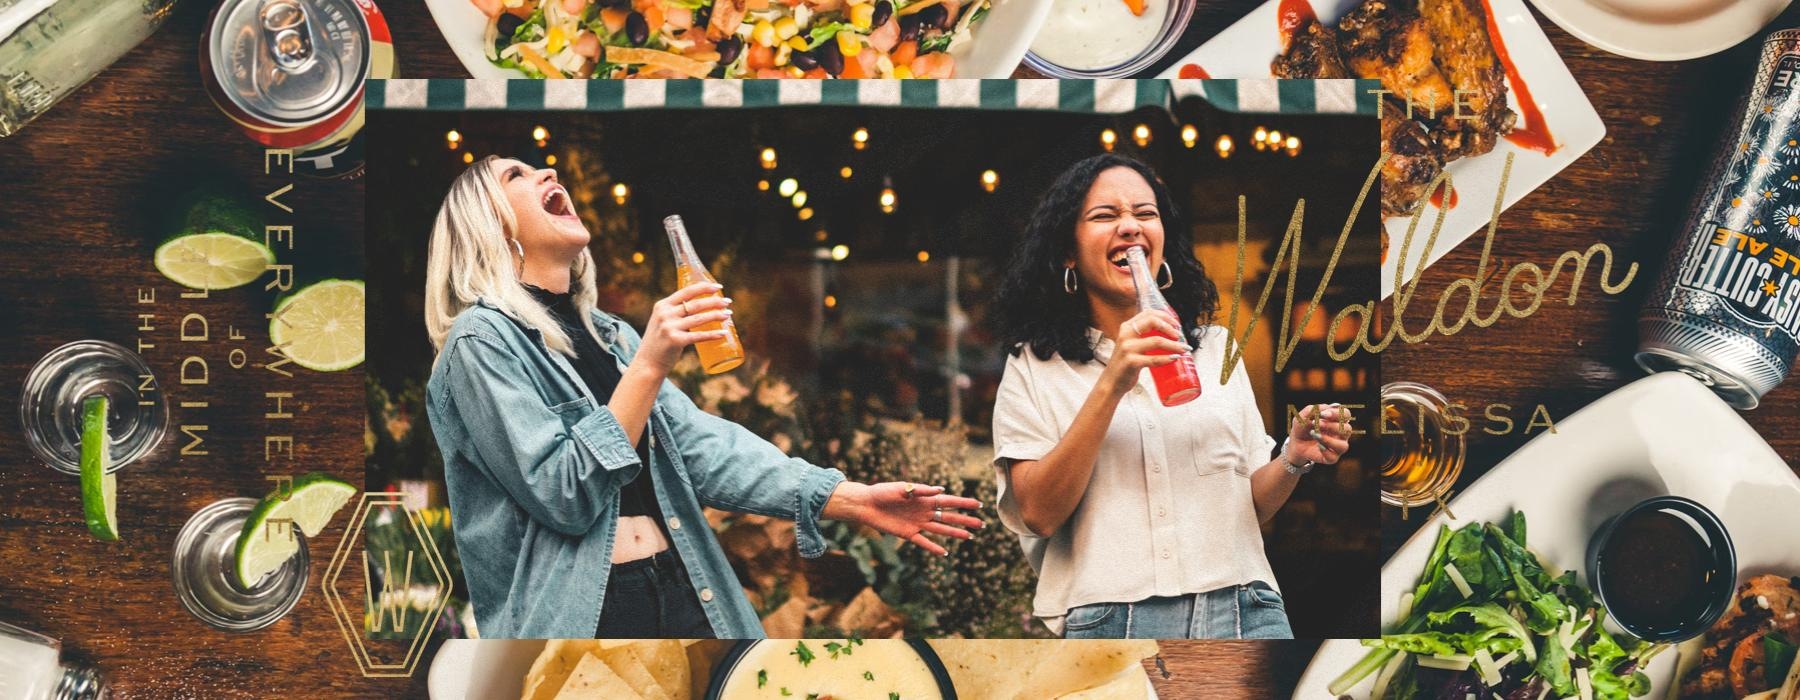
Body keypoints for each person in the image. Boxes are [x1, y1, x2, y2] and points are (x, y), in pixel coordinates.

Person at [423, 156, 984, 639]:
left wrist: (849, 499)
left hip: (687, 585)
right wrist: (650, 363)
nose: (546, 170)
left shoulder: (610, 336)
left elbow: (702, 450)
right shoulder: (480, 342)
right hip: (586, 614)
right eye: (515, 175)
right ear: (488, 226)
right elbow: (562, 493)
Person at [988, 153, 1352, 639]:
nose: (1130, 228)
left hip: (1246, 607)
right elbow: (1036, 513)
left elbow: (1251, 506)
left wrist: (1292, 459)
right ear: (1067, 253)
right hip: (1112, 618)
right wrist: (1112, 384)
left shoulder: (1216, 349)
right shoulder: (1036, 365)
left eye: (1145, 213)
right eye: (1105, 215)